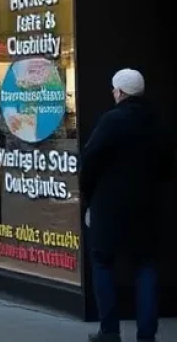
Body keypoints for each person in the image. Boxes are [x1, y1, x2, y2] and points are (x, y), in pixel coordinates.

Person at [81, 69, 173, 342]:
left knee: (102, 263)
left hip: (109, 205)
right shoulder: (157, 121)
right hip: (147, 205)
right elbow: (167, 162)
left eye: (114, 89)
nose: (112, 92)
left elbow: (91, 159)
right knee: (145, 266)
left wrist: (89, 196)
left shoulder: (112, 120)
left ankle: (110, 330)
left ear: (120, 92)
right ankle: (146, 334)